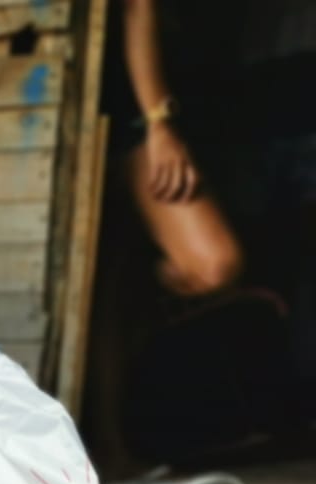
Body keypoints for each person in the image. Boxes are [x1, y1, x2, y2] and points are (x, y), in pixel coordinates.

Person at [110, 0, 244, 297]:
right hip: (122, 102)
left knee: (217, 266)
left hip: (150, 102)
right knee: (216, 265)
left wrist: (161, 123)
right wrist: (159, 123)